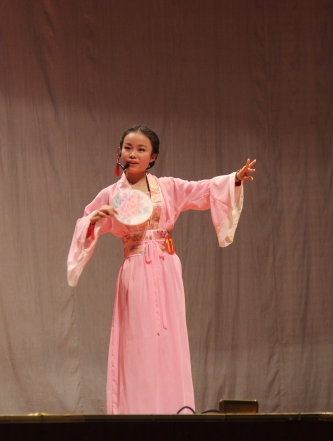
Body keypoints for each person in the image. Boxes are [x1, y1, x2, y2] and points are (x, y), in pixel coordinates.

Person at [67, 125, 256, 414]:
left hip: (167, 267)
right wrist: (94, 219)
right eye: (128, 148)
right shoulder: (111, 194)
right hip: (136, 269)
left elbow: (203, 190)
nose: (133, 154)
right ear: (119, 152)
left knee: (170, 339)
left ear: (152, 157)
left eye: (141, 149)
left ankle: (174, 410)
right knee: (138, 341)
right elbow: (85, 223)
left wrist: (235, 179)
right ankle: (137, 412)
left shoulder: (167, 187)